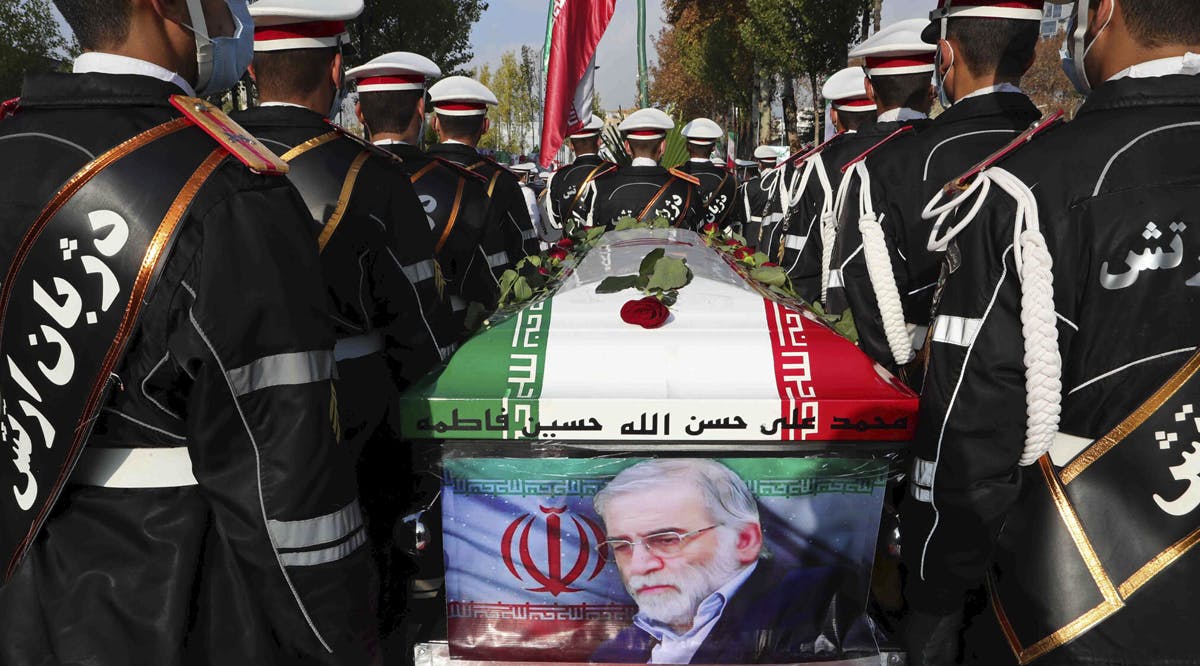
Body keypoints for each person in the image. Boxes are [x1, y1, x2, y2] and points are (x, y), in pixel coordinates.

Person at [0, 0, 377, 663]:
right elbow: (289, 495)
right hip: (179, 613)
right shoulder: (230, 193)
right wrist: (347, 643)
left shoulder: (14, 144)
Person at [902, 1, 1200, 664]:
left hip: (1086, 613)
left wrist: (935, 593)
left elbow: (973, 431)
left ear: (1105, 12)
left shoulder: (1025, 188)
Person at [234, 2, 455, 657]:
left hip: (226, 409)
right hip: (354, 406)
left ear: (249, 66)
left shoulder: (199, 156)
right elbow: (419, 325)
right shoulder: (372, 176)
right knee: (367, 579)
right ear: (336, 68)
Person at [832, 3, 1043, 377]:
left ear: (944, 55)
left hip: (932, 386)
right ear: (1031, 58)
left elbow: (866, 292)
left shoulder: (888, 167)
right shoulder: (1065, 147)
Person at [589, 459, 843, 664]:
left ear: (743, 540)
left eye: (666, 540)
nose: (638, 566)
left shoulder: (820, 604)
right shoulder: (614, 653)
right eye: (621, 546)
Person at [347, 51, 500, 334]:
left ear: (359, 113)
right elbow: (487, 283)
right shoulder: (463, 185)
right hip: (445, 336)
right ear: (421, 109)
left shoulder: (338, 174)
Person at [823, 18, 936, 320]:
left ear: (869, 89)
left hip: (878, 334)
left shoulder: (832, 162)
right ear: (931, 88)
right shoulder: (956, 147)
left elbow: (843, 270)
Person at [776, 67, 877, 302]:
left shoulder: (816, 165)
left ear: (834, 115)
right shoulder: (908, 148)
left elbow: (799, 253)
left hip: (838, 302)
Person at [426, 75, 540, 271]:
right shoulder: (501, 182)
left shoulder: (410, 172)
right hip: (488, 299)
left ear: (435, 123)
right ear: (485, 126)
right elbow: (526, 255)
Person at [578, 108, 700, 230]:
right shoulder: (686, 187)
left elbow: (589, 237)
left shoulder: (600, 186)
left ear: (627, 147)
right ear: (663, 146)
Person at [545, 115, 614, 234]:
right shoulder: (613, 171)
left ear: (571, 145)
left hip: (570, 249)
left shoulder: (557, 177)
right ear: (599, 142)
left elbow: (555, 222)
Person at [679, 118, 739, 229]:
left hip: (680, 244)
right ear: (713, 148)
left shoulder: (674, 176)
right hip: (715, 244)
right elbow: (733, 216)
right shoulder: (728, 180)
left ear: (687, 146)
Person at [730, 145, 784, 242]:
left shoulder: (749, 186)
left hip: (753, 234)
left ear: (759, 164)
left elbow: (745, 217)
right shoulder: (783, 183)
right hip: (777, 231)